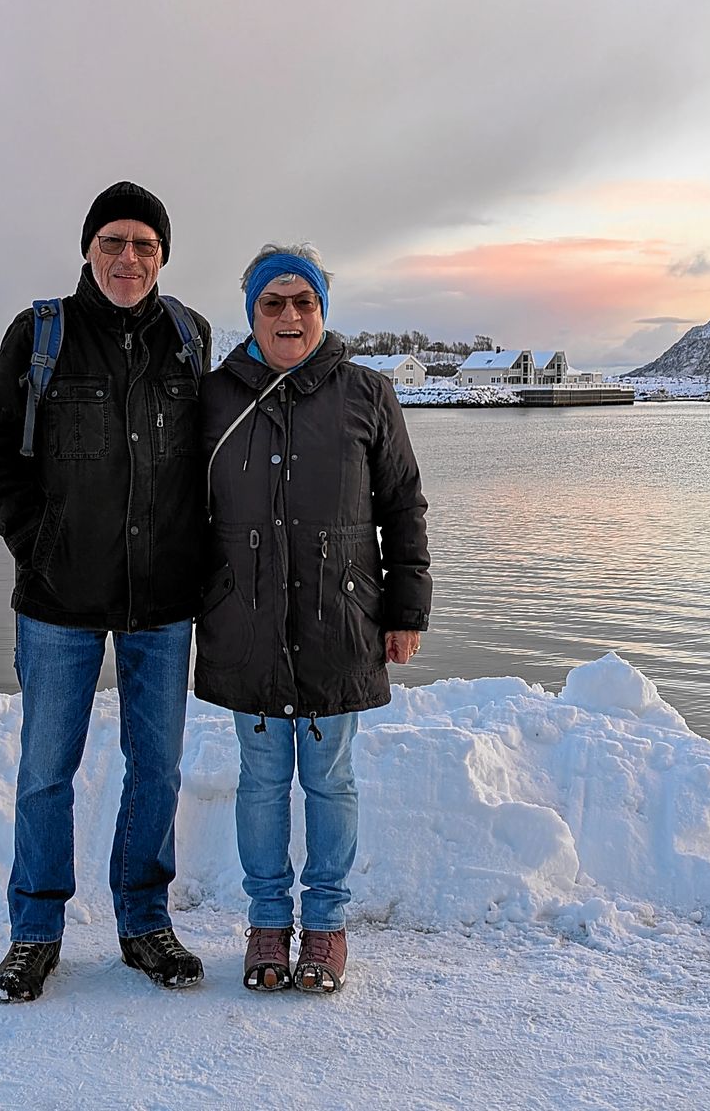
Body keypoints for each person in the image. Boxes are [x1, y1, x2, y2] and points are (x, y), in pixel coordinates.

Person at [0, 182, 212, 1002]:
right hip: (57, 601)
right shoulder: (42, 335)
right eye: (114, 241)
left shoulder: (190, 337)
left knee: (159, 769)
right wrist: (40, 542)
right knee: (45, 769)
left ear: (162, 256)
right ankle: (35, 932)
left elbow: (210, 460)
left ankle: (145, 921)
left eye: (145, 244)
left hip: (162, 600)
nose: (128, 258)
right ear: (87, 250)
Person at [193, 242, 430, 994]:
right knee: (261, 780)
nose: (289, 316)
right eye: (273, 302)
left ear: (323, 310)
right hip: (248, 623)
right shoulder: (216, 397)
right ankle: (268, 919)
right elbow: (182, 515)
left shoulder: (366, 394)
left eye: (304, 302)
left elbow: (402, 507)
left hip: (342, 619)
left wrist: (406, 605)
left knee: (329, 778)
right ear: (252, 314)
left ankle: (324, 925)